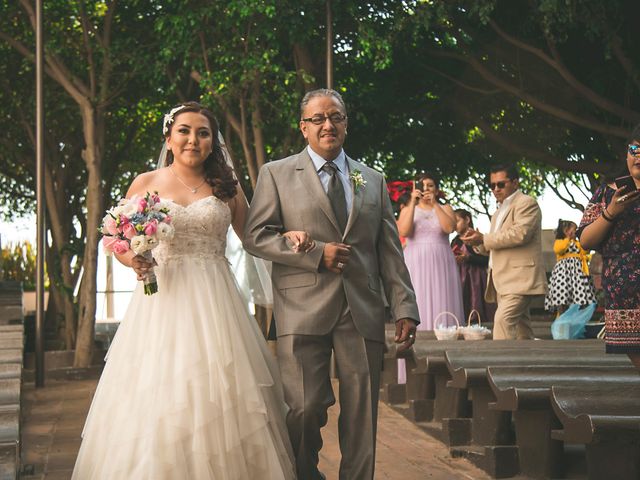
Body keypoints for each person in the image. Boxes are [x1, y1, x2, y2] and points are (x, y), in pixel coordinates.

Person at [72, 102, 296, 479]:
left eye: (203, 132)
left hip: (216, 302)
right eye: (185, 131)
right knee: (159, 391)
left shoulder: (227, 187)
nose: (193, 139)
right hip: (163, 302)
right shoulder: (146, 183)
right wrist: (135, 261)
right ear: (169, 137)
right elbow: (117, 241)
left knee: (222, 392)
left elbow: (256, 239)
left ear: (213, 142)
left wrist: (292, 237)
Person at [243, 88, 419, 480]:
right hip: (301, 306)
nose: (328, 125)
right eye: (318, 119)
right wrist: (312, 254)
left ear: (345, 123)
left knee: (362, 413)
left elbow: (388, 250)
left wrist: (404, 306)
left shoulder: (371, 179)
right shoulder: (276, 173)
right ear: (303, 127)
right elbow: (256, 236)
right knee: (303, 408)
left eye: (336, 117)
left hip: (363, 307)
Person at [461, 164, 547, 340]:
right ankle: (532, 364)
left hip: (520, 278)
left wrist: (484, 239)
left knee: (502, 321)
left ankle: (501, 366)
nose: (495, 189)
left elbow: (519, 234)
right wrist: (477, 243)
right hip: (503, 279)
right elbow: (497, 244)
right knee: (523, 332)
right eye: (492, 185)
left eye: (501, 184)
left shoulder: (526, 203)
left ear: (515, 183)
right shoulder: (499, 211)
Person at [578, 127, 640, 369]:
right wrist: (611, 212)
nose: (638, 156)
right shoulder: (607, 192)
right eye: (634, 149)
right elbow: (585, 240)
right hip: (624, 293)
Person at [396, 173, 464, 331]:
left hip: (441, 260)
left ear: (437, 189)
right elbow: (404, 231)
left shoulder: (445, 208)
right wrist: (413, 202)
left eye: (430, 185)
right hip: (416, 261)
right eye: (422, 185)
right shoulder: (407, 209)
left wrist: (435, 204)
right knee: (418, 297)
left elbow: (449, 228)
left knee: (444, 298)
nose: (425, 189)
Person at [451, 208, 496, 323]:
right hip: (460, 277)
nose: (454, 225)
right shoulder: (455, 240)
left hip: (476, 278)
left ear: (467, 219)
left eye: (457, 221)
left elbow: (487, 259)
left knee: (477, 301)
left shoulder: (476, 238)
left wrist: (468, 258)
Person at [544, 219, 596, 314]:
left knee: (578, 293)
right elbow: (559, 250)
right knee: (563, 293)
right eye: (574, 229)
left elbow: (584, 251)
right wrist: (568, 238)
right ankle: (562, 314)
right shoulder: (560, 242)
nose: (576, 232)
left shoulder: (577, 243)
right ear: (566, 231)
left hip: (577, 273)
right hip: (564, 273)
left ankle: (576, 312)